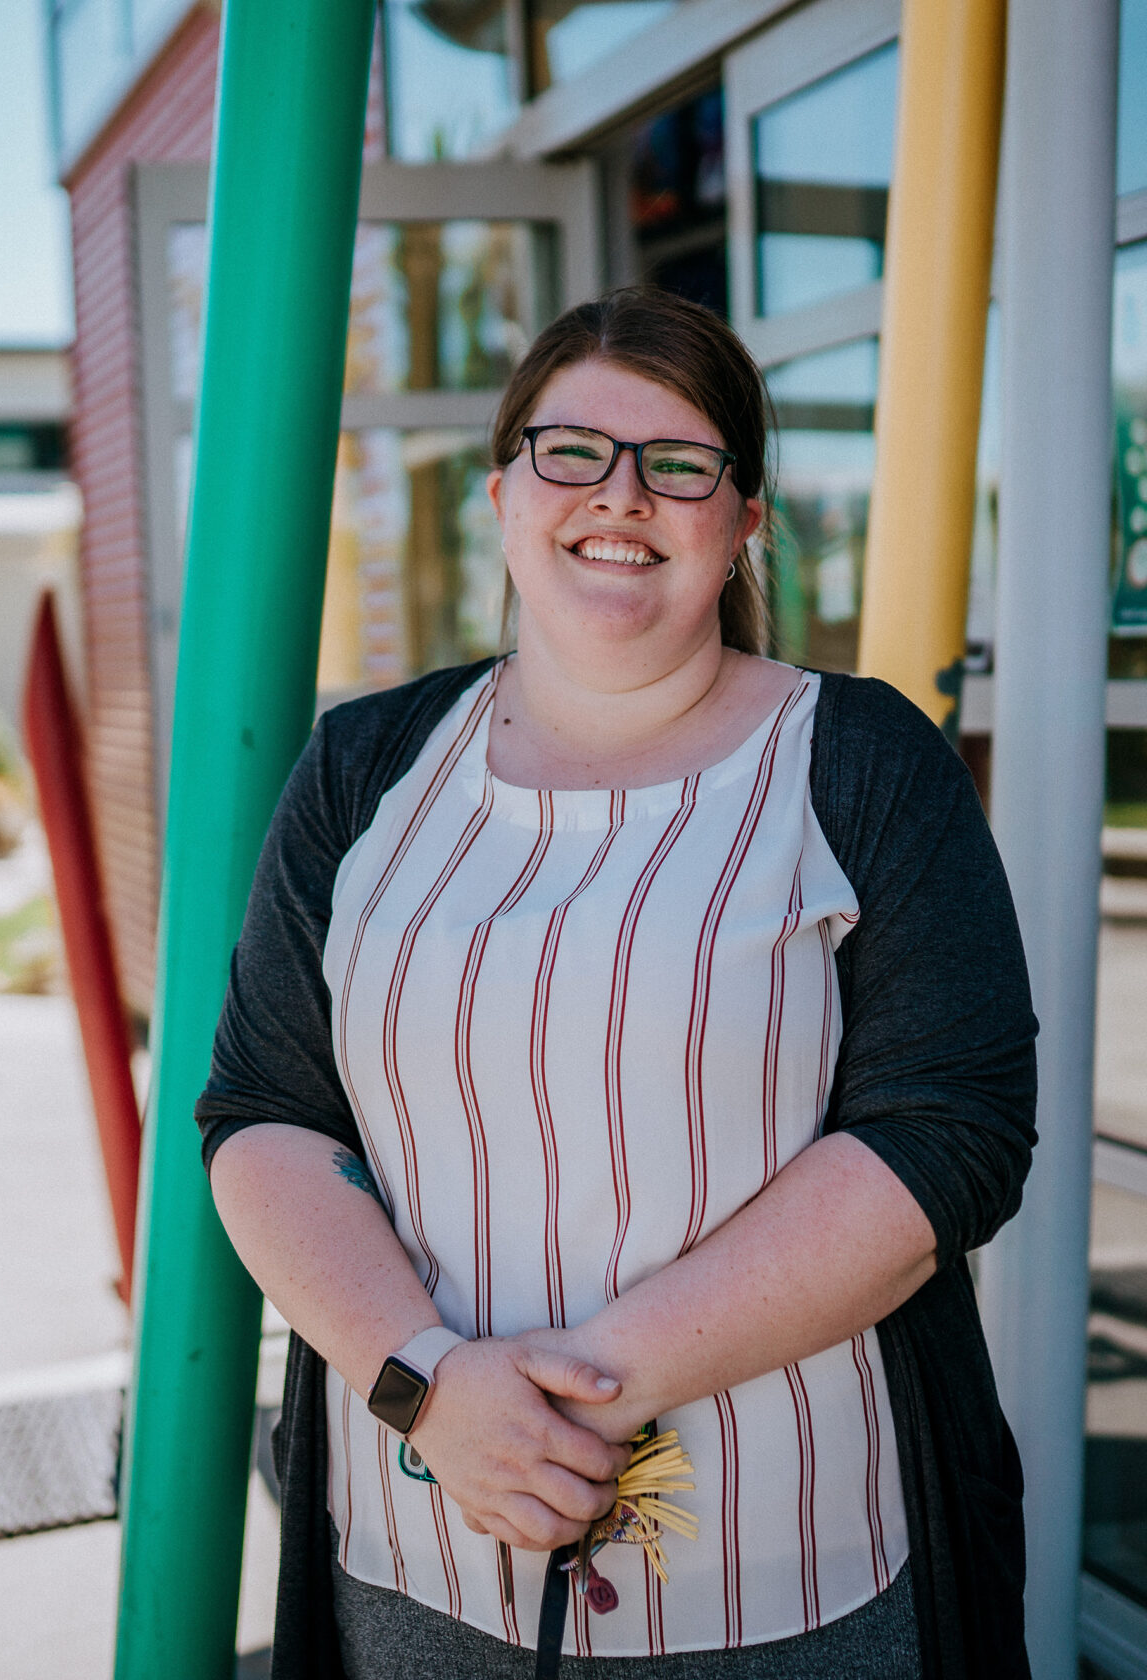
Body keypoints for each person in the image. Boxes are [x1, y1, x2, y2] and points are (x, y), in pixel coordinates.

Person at [197, 287, 1037, 1680]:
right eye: (572, 449)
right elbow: (264, 1112)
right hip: (412, 1566)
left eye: (681, 462)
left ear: (745, 515)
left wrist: (571, 1395)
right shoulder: (362, 769)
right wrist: (431, 1387)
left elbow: (948, 1135)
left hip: (792, 1573)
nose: (622, 494)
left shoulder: (869, 766)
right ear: (504, 490)